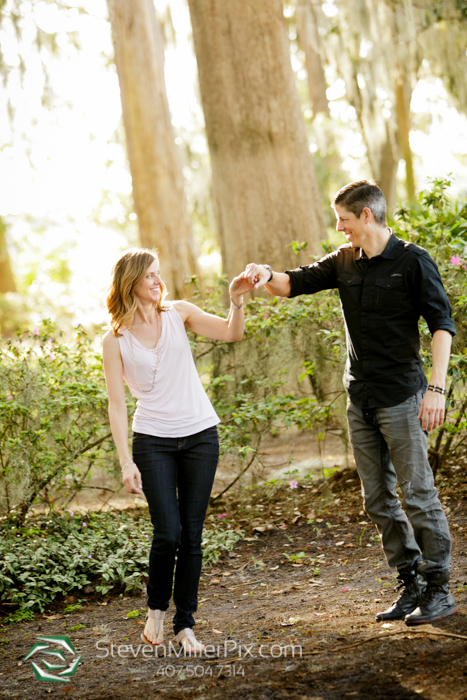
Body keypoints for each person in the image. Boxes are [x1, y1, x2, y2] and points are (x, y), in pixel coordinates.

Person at [243, 180, 458, 625]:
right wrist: (264, 274)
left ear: (366, 216)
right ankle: (410, 585)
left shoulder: (413, 262)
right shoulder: (343, 261)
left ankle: (439, 588)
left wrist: (436, 390)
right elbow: (293, 282)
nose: (338, 227)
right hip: (359, 398)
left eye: (343, 219)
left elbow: (441, 325)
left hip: (403, 397)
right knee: (377, 499)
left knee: (418, 495)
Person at [103, 248, 249, 652]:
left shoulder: (178, 313)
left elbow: (231, 333)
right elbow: (117, 405)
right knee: (168, 533)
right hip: (152, 442)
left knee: (193, 536)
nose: (157, 281)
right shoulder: (115, 339)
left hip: (201, 435)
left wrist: (236, 301)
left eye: (158, 274)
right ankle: (156, 610)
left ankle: (185, 625)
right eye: (149, 275)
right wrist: (125, 461)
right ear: (130, 282)